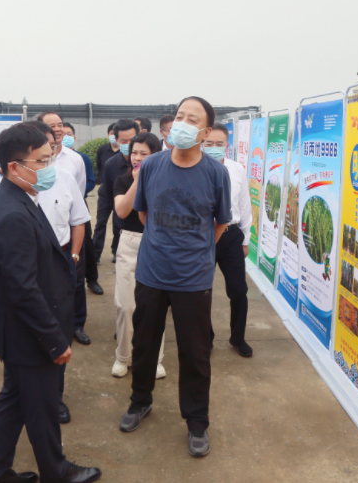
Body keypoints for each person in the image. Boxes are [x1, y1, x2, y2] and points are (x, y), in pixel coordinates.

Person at [0, 122, 101, 483]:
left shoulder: (18, 198)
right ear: (14, 167)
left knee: (13, 400)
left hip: (22, 332)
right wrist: (54, 340)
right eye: (42, 161)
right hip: (30, 335)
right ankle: (56, 472)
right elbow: (23, 289)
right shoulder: (12, 213)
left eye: (51, 159)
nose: (50, 168)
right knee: (42, 406)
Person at [118, 96, 231, 459]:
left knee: (195, 353)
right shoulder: (152, 165)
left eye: (192, 119)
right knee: (144, 344)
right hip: (152, 273)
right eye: (180, 115)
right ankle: (140, 401)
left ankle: (197, 421)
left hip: (193, 279)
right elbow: (143, 214)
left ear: (205, 131)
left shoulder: (216, 173)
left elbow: (221, 223)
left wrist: (197, 251)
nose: (182, 122)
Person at [31, 121, 91, 423]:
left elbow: (78, 220)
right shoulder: (16, 183)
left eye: (52, 147)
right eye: (42, 149)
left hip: (62, 259)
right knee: (31, 328)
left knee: (59, 330)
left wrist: (74, 256)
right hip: (29, 265)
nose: (50, 153)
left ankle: (56, 396)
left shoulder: (65, 177)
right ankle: (30, 392)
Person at [111, 131, 166, 379]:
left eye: (144, 153)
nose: (137, 157)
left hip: (157, 245)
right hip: (129, 243)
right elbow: (122, 211)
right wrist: (137, 181)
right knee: (125, 306)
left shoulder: (165, 180)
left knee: (154, 307)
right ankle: (123, 356)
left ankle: (154, 359)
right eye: (134, 152)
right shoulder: (122, 180)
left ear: (156, 155)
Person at [203, 123, 253, 357]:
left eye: (219, 144)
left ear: (227, 146)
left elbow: (244, 205)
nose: (214, 147)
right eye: (209, 143)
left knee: (238, 290)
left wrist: (245, 239)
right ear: (202, 143)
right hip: (203, 236)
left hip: (231, 236)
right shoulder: (194, 168)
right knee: (202, 291)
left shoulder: (237, 169)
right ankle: (206, 337)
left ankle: (238, 337)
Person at [63, 123, 103, 297]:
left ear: (74, 137)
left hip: (79, 204)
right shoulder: (48, 157)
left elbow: (90, 181)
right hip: (59, 207)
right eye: (63, 133)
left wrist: (75, 195)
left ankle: (92, 279)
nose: (65, 137)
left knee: (86, 243)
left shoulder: (81, 158)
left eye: (69, 134)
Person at [92, 120, 138, 264]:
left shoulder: (146, 161)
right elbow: (106, 186)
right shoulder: (111, 164)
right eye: (124, 141)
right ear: (116, 140)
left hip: (131, 200)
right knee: (101, 224)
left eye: (132, 140)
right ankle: (95, 254)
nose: (129, 144)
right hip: (108, 196)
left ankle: (117, 252)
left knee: (120, 226)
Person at [38, 112, 86, 194]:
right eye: (52, 126)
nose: (57, 129)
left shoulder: (76, 158)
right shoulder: (33, 158)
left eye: (60, 125)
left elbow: (79, 190)